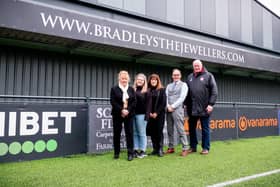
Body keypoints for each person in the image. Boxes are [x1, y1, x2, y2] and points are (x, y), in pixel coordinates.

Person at [185, 59, 218, 155]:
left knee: (205, 129)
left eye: (198, 65)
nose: (196, 67)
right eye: (195, 66)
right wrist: (185, 104)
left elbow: (214, 91)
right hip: (192, 108)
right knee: (191, 128)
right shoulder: (189, 77)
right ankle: (193, 147)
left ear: (201, 65)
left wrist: (211, 104)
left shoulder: (209, 76)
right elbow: (187, 93)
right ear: (193, 67)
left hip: (205, 108)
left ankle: (205, 148)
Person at [110, 70, 136, 161]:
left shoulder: (131, 89)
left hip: (129, 114)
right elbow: (113, 102)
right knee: (116, 133)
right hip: (117, 114)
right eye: (122, 78)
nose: (124, 80)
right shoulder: (114, 89)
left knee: (129, 133)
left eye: (125, 78)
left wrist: (127, 110)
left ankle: (130, 153)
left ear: (128, 79)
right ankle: (116, 153)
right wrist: (121, 110)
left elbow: (134, 102)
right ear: (119, 79)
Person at [165, 69, 189, 157]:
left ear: (180, 76)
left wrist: (173, 106)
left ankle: (185, 148)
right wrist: (168, 106)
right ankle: (171, 147)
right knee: (169, 129)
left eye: (177, 75)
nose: (176, 76)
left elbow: (182, 98)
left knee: (180, 129)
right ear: (172, 76)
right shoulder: (168, 86)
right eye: (174, 75)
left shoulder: (184, 85)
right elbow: (166, 96)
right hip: (168, 109)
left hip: (178, 109)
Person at [145, 74, 166, 157]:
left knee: (159, 131)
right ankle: (155, 149)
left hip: (159, 114)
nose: (153, 81)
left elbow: (163, 103)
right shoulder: (147, 90)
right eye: (152, 79)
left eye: (155, 79)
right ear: (150, 81)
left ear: (158, 81)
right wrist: (149, 112)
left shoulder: (162, 90)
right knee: (152, 131)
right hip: (149, 114)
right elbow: (145, 103)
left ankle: (160, 149)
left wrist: (156, 113)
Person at [132, 73, 148, 158]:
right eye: (138, 79)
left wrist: (147, 116)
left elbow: (149, 105)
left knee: (141, 133)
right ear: (136, 80)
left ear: (144, 81)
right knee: (134, 133)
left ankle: (143, 150)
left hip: (142, 115)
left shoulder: (146, 91)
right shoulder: (132, 89)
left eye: (141, 80)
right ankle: (135, 149)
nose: (140, 81)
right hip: (133, 114)